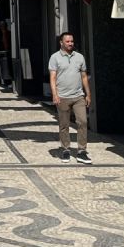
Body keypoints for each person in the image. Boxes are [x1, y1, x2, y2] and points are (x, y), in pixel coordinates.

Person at [47, 31, 92, 163]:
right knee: (64, 124)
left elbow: (84, 77)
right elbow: (53, 77)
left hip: (78, 96)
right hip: (62, 97)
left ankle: (82, 151)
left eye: (72, 41)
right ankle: (66, 149)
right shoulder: (54, 58)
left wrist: (88, 94)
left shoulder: (80, 57)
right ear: (61, 43)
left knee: (83, 122)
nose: (70, 43)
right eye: (67, 41)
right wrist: (55, 94)